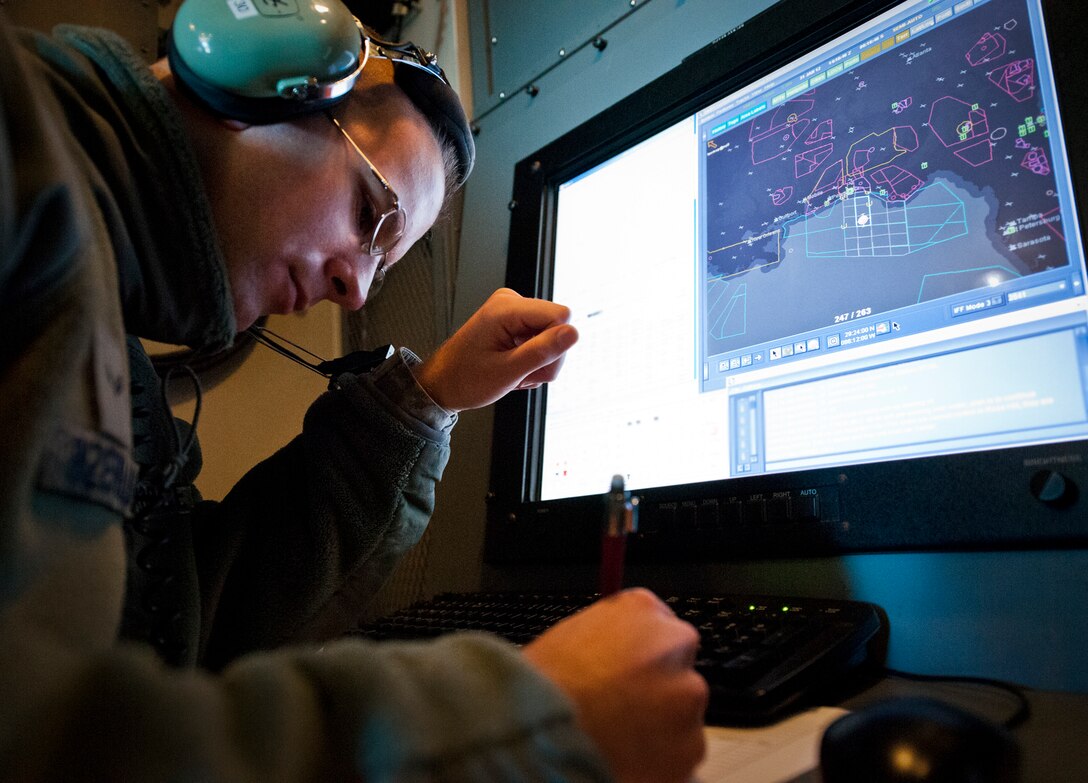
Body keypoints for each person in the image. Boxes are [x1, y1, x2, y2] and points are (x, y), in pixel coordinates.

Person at [0, 1, 708, 780]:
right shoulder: (15, 145)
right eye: (369, 211)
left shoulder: (109, 340)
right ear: (252, 71)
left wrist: (425, 398)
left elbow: (196, 622)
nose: (355, 287)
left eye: (384, 263)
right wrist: (525, 723)